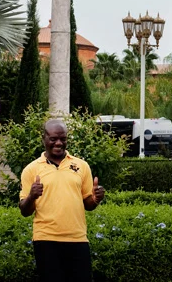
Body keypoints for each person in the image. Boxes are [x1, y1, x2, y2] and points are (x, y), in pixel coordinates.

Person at [19, 119, 105, 282]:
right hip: (46, 240)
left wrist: (95, 199)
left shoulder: (81, 166)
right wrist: (31, 196)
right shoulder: (31, 169)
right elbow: (24, 211)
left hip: (78, 239)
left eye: (63, 139)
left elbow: (88, 204)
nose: (58, 143)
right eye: (53, 139)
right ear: (44, 139)